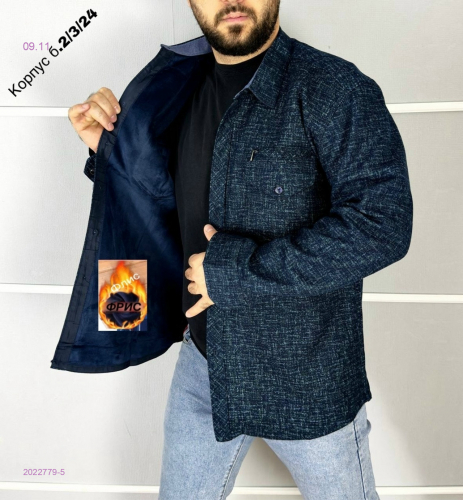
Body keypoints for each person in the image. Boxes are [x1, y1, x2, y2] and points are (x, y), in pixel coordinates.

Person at [67, 1, 413, 498]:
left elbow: (383, 223)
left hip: (306, 378)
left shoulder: (336, 88)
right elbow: (165, 198)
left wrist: (233, 273)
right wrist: (107, 151)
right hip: (204, 364)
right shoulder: (173, 87)